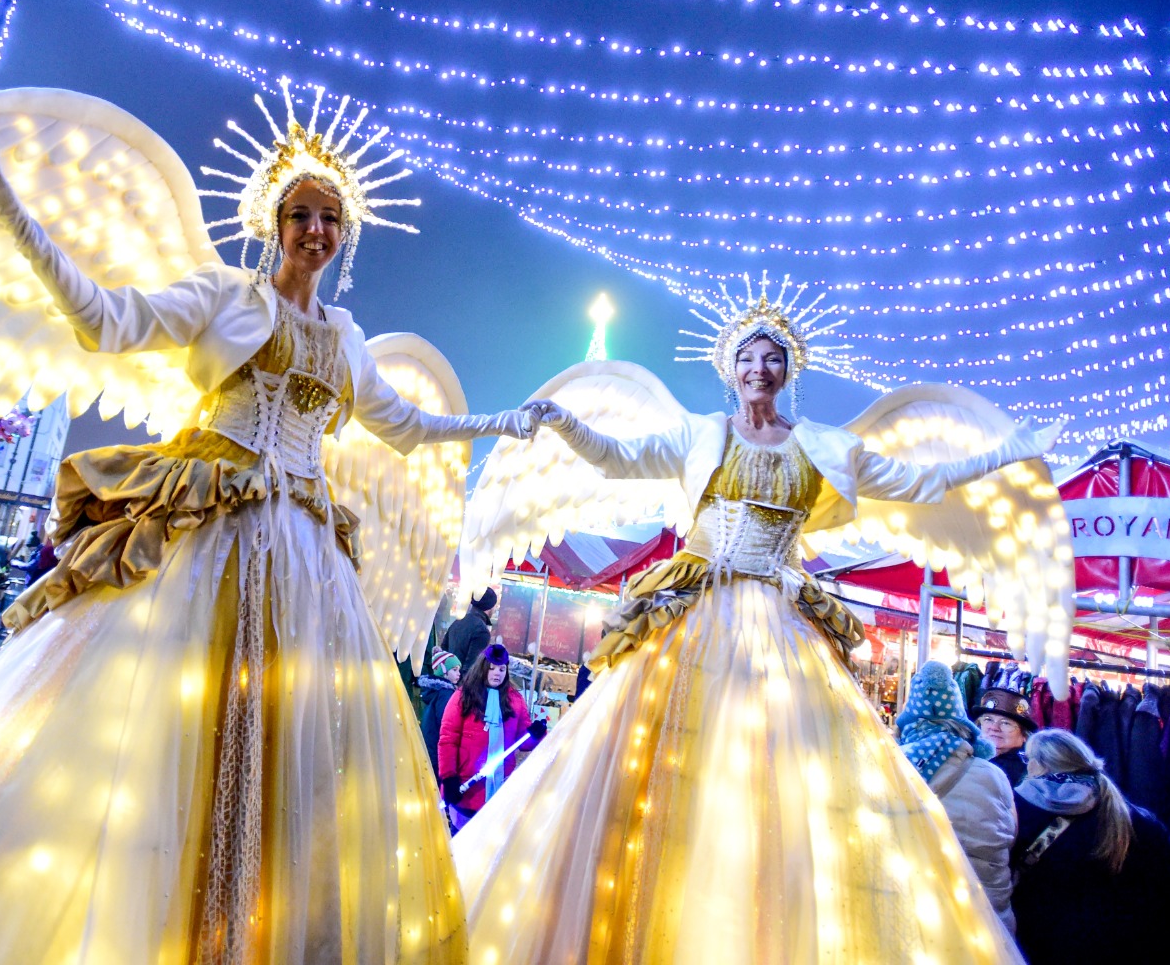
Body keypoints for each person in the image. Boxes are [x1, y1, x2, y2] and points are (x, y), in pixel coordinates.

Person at [0, 102, 531, 964]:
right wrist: (5, 200)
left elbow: (405, 426)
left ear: (344, 235)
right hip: (213, 522)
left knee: (297, 741)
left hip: (308, 552)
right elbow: (102, 319)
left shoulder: (348, 338)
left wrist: (501, 423)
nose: (315, 230)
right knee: (162, 726)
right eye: (301, 214)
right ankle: (155, 915)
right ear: (273, 224)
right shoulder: (222, 297)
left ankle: (253, 923)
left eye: (330, 218)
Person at [450, 282, 1064, 962]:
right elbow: (617, 459)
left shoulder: (823, 446)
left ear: (787, 370)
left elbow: (919, 483)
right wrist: (566, 422)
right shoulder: (699, 434)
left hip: (780, 623)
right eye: (749, 358)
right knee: (652, 763)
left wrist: (1005, 454)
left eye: (772, 359)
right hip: (701, 612)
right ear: (730, 367)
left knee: (782, 778)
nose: (759, 370)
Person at [1011, 728, 1170, 963]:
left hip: (1041, 948)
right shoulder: (1131, 816)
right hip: (1128, 948)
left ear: (1036, 766)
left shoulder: (1014, 810)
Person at [897, 661, 1016, 933]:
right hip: (988, 923)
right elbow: (1010, 835)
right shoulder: (994, 775)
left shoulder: (894, 772)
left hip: (920, 919)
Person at [438, 644, 544, 831]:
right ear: (482, 668)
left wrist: (536, 734)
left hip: (500, 793)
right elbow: (448, 740)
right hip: (466, 790)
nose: (497, 673)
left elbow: (524, 742)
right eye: (492, 668)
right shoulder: (462, 697)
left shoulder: (515, 700)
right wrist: (448, 777)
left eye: (502, 669)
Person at [974, 686, 1038, 787]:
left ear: (1024, 735)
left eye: (1006, 723)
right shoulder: (966, 755)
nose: (994, 728)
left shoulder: (1028, 773)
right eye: (988, 719)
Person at [418, 649, 462, 777]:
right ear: (443, 670)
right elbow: (446, 720)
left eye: (458, 669)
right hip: (437, 746)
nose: (458, 673)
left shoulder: (435, 690)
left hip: (431, 742)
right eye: (454, 670)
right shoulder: (445, 693)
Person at [444, 587, 498, 668]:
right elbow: (472, 666)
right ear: (490, 607)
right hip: (462, 679)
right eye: (494, 606)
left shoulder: (458, 621)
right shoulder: (482, 631)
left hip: (447, 676)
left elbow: (444, 649)